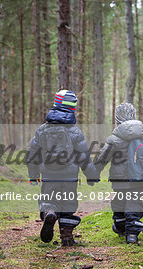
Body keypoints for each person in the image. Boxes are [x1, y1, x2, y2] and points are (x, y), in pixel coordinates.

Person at [26, 90, 99, 246]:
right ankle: (66, 238)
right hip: (70, 176)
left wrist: (33, 175)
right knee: (67, 204)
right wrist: (91, 175)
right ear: (72, 109)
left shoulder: (42, 130)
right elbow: (83, 156)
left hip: (48, 175)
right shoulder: (74, 131)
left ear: (55, 104)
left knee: (48, 200)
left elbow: (32, 155)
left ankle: (50, 213)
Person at [95, 103, 143, 245]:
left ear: (117, 118)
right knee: (134, 202)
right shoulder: (141, 136)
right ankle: (132, 234)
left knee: (119, 202)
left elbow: (102, 158)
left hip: (120, 180)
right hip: (139, 178)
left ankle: (120, 227)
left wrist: (94, 172)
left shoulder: (115, 138)